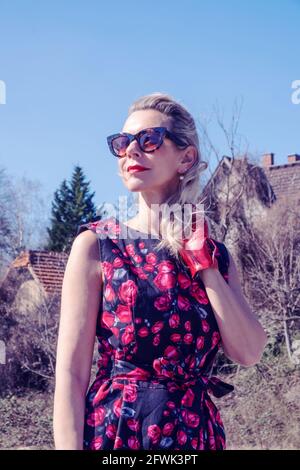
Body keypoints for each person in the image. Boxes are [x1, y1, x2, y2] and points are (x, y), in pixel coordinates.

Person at [53, 92, 268, 451]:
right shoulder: (97, 245)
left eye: (148, 140)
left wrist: (206, 268)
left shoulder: (217, 256)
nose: (132, 152)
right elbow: (71, 375)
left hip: (195, 437)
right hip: (117, 433)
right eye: (122, 144)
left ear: (186, 157)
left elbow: (248, 351)